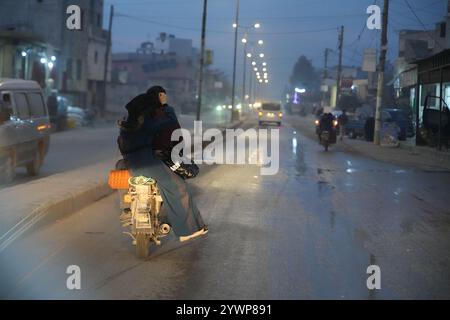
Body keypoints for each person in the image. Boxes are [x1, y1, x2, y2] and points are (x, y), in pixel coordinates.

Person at [117, 86, 208, 242]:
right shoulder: (159, 115)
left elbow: (122, 142)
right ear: (157, 97)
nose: (164, 97)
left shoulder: (130, 119)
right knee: (177, 186)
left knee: (118, 170)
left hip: (130, 161)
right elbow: (174, 134)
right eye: (162, 95)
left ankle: (126, 209)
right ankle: (189, 229)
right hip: (150, 161)